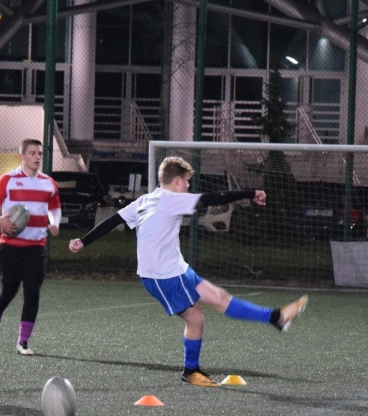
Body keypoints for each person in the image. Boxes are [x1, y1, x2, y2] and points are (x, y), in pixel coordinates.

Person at [68, 156, 307, 387]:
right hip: (163, 276)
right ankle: (191, 371)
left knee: (219, 298)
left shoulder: (146, 200)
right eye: (187, 181)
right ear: (177, 181)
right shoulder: (172, 199)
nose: (189, 185)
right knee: (196, 319)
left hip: (175, 268)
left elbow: (113, 221)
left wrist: (84, 241)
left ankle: (276, 317)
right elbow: (214, 197)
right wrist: (250, 193)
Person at [0, 138, 62, 355]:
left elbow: (55, 208)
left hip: (37, 248)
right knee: (8, 291)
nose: (37, 157)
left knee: (32, 294)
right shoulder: (7, 179)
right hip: (10, 247)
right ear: (22, 156)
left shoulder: (48, 182)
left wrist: (54, 222)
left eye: (39, 153)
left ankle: (23, 342)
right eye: (33, 153)